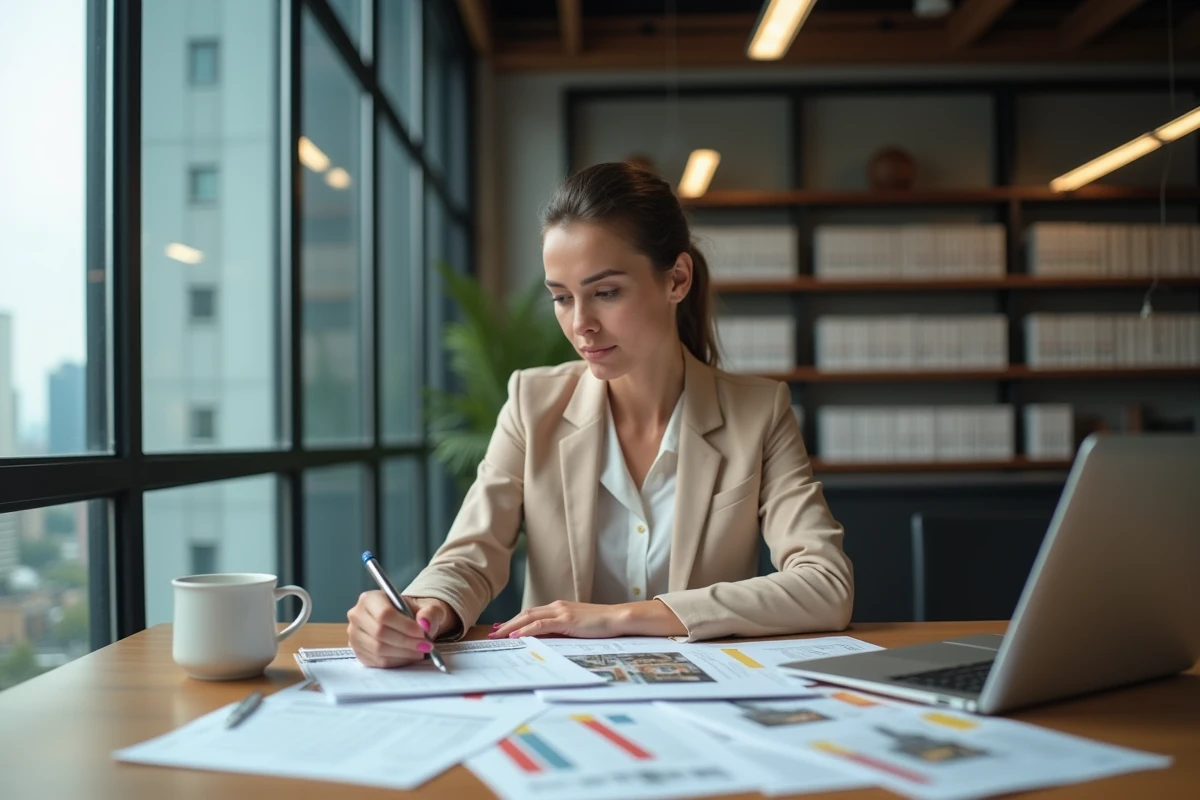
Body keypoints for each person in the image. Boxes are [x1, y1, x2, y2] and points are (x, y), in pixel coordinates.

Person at [347, 161, 853, 668]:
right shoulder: (532, 402)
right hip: (558, 692)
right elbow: (472, 552)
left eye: (605, 293)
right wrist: (421, 609)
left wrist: (619, 617)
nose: (581, 324)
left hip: (705, 694)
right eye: (562, 298)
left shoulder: (757, 411)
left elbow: (826, 585)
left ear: (676, 279)